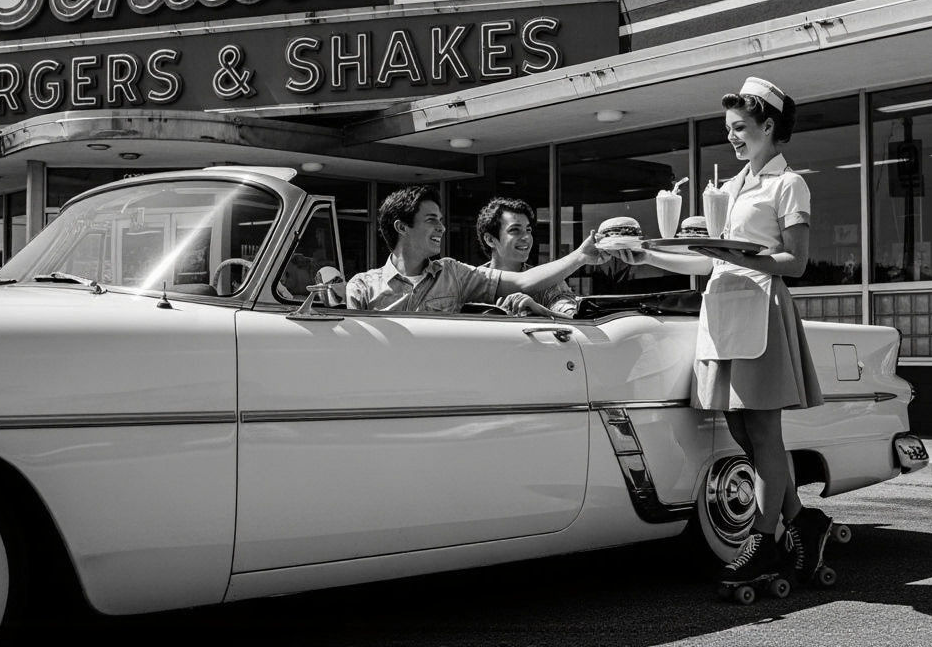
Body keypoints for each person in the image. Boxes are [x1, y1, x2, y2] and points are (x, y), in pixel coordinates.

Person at [607, 77, 831, 586]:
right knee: (740, 430)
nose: (731, 137)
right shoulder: (729, 188)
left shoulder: (788, 184)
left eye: (739, 127)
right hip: (723, 310)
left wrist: (734, 255)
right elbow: (706, 261)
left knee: (764, 431)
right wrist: (647, 255)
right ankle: (802, 521)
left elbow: (795, 263)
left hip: (761, 309)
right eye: (728, 128)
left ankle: (762, 541)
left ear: (767, 126)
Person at [346, 185, 605, 312]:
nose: (442, 228)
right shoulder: (362, 287)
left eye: (441, 220)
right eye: (431, 220)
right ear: (402, 227)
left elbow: (524, 281)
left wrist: (581, 256)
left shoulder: (454, 274)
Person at [473, 197, 580, 318]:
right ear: (490, 240)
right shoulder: (470, 283)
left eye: (528, 230)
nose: (526, 237)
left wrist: (541, 311)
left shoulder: (548, 281)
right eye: (515, 230)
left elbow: (576, 319)